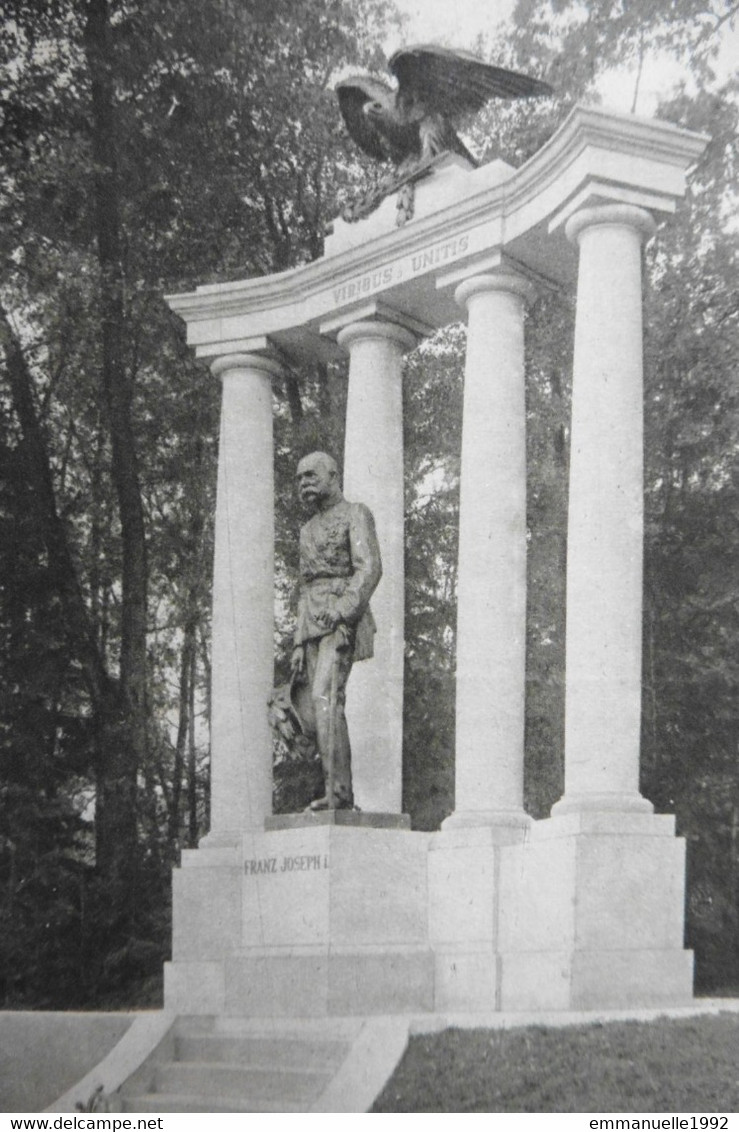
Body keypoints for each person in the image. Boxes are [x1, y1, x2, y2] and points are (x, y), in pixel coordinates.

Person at [290, 452, 382, 810]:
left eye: (311, 476)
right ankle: (335, 789)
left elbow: (369, 569)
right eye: (299, 479)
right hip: (311, 625)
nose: (304, 484)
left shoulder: (355, 514)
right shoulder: (307, 530)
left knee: (326, 699)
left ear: (333, 475)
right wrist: (299, 641)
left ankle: (338, 795)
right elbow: (305, 585)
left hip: (342, 621)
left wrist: (343, 612)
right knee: (316, 708)